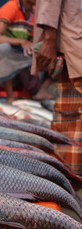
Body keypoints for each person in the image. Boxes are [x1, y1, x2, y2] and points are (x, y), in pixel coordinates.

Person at [32, 0, 82, 176]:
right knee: (71, 118)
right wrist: (49, 38)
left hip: (75, 38)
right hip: (74, 41)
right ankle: (69, 177)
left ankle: (69, 177)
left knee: (72, 119)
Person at [0, 0, 54, 104]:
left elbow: (32, 39)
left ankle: (40, 89)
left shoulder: (34, 12)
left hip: (21, 53)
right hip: (0, 55)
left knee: (50, 53)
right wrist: (20, 41)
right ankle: (10, 96)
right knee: (4, 48)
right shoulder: (11, 7)